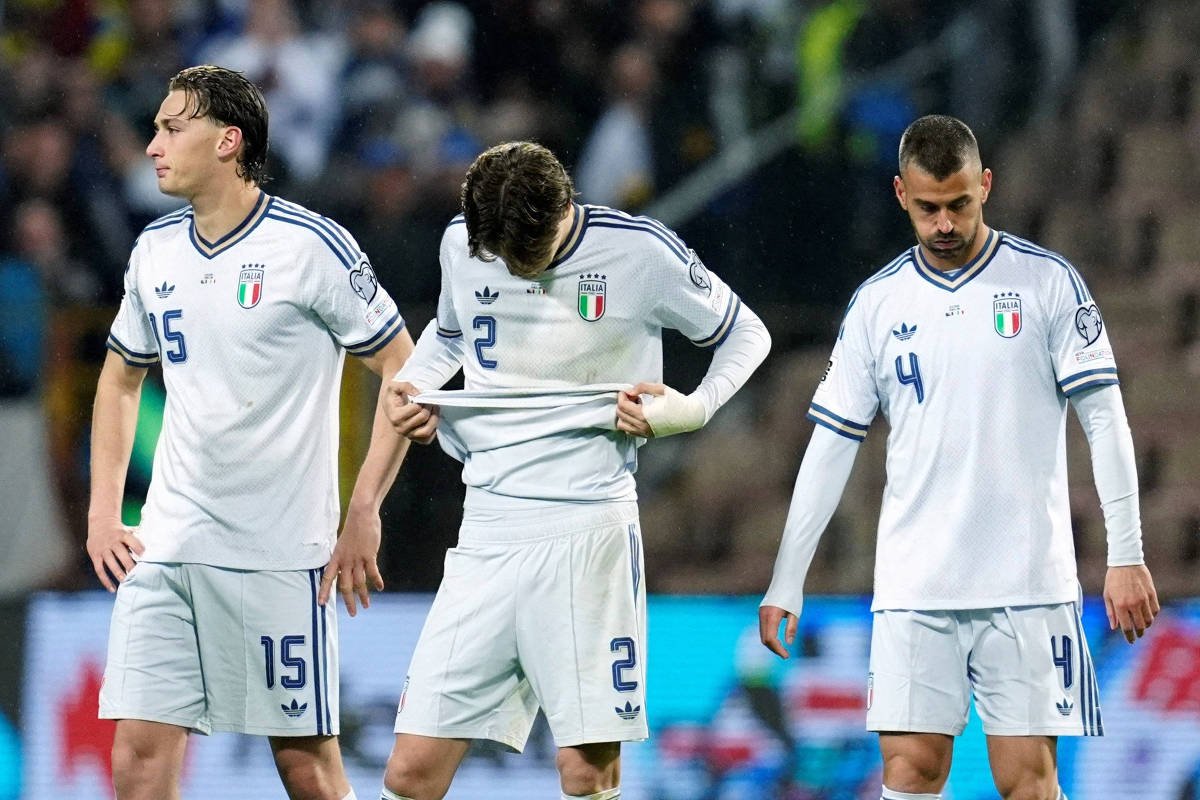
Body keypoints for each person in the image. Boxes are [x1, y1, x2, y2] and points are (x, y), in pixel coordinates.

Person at [758, 114, 1160, 800]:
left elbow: (1105, 418)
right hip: (916, 586)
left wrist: (1127, 553)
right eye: (928, 208)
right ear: (900, 194)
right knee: (909, 773)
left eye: (959, 204)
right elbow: (830, 445)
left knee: (1027, 782)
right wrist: (786, 578)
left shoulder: (1047, 283)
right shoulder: (877, 304)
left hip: (1028, 583)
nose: (944, 223)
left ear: (986, 186)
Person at [379, 141, 771, 800]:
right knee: (410, 772)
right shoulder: (462, 243)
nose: (510, 265)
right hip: (486, 533)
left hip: (588, 535)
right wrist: (415, 384)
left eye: (523, 253)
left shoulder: (640, 252)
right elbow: (451, 335)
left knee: (586, 773)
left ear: (563, 208)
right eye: (498, 253)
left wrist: (695, 408)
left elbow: (747, 333)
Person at [86, 65, 413, 799]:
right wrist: (105, 512)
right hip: (166, 547)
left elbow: (403, 366)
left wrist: (364, 510)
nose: (152, 146)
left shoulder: (311, 247)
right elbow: (120, 379)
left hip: (279, 555)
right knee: (137, 760)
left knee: (306, 768)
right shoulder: (154, 249)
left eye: (172, 128)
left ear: (227, 140)